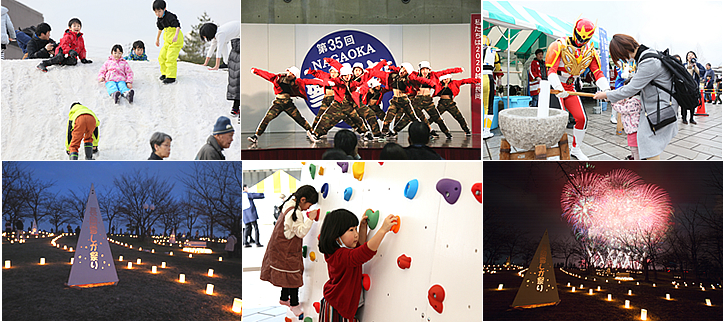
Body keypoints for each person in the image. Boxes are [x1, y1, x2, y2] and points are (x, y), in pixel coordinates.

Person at [593, 34, 678, 160]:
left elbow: (630, 89)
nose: (623, 60)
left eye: (620, 56)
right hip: (657, 105)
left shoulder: (648, 62)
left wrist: (606, 94)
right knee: (648, 144)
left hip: (661, 108)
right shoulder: (646, 56)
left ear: (624, 51)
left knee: (648, 143)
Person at [546, 18, 611, 160]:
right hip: (555, 87)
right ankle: (552, 151)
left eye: (585, 39)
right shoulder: (560, 45)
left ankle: (576, 149)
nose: (581, 41)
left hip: (570, 87)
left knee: (581, 118)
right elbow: (551, 70)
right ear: (575, 31)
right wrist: (557, 87)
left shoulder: (590, 51)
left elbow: (597, 73)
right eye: (580, 36)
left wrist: (606, 89)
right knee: (558, 119)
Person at [318, 209, 397, 321]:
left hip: (338, 302)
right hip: (337, 305)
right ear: (336, 235)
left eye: (356, 229)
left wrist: (363, 227)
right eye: (351, 230)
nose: (356, 234)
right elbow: (362, 253)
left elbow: (358, 247)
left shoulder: (339, 250)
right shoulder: (340, 255)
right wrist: (383, 230)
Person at [260, 185, 319, 318]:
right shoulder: (296, 213)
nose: (308, 209)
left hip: (279, 248)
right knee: (293, 277)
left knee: (288, 274)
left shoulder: (288, 203)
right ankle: (294, 303)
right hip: (287, 250)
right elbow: (301, 232)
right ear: (303, 200)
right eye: (309, 205)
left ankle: (283, 297)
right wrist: (311, 219)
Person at [247, 66, 327, 143]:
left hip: (288, 104)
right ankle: (256, 136)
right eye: (290, 72)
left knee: (300, 119)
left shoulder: (295, 82)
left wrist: (323, 83)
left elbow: (310, 81)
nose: (290, 75)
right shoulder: (278, 78)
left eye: (292, 74)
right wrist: (255, 71)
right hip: (278, 103)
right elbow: (266, 75)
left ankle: (311, 133)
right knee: (267, 118)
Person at [153, 0, 183, 84]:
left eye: (159, 11)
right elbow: (160, 29)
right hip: (167, 40)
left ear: (164, 9)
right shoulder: (159, 19)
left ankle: (171, 76)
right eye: (156, 12)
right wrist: (157, 39)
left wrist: (176, 36)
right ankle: (165, 73)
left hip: (176, 40)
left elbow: (178, 26)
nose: (158, 14)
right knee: (162, 56)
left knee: (170, 57)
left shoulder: (170, 16)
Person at [482, 35, 503, 139]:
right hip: (487, 77)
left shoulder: (475, 51)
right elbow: (498, 67)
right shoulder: (493, 51)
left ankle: (478, 129)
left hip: (477, 79)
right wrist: (499, 78)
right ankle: (486, 131)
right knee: (488, 106)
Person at [682, 51, 705, 124]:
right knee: (684, 103)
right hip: (685, 87)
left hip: (694, 87)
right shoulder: (684, 65)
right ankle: (684, 118)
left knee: (693, 102)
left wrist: (695, 66)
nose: (690, 56)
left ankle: (691, 118)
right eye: (689, 55)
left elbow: (702, 72)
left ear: (695, 57)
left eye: (692, 55)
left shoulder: (698, 65)